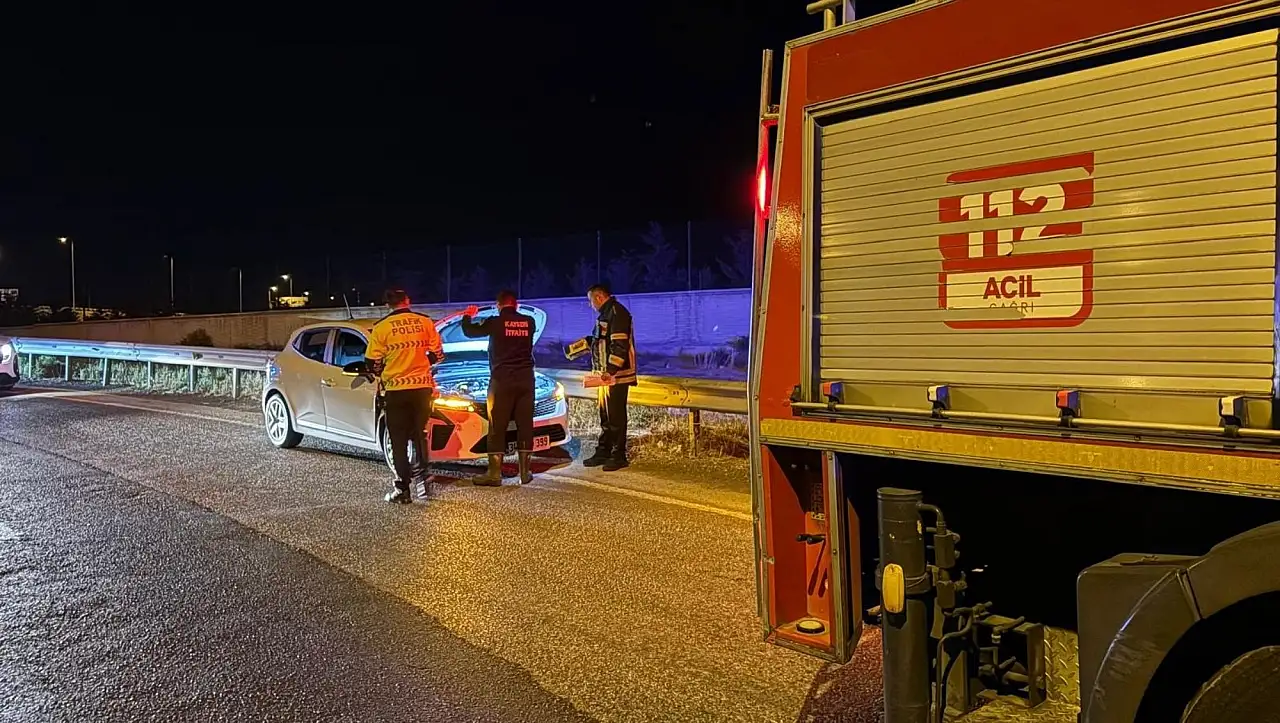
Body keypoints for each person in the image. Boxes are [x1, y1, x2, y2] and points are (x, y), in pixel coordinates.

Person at [364, 289, 444, 504]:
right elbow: (438, 355)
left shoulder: (381, 328)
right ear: (407, 301)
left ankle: (403, 489)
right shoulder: (425, 322)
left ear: (387, 304)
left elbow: (372, 363)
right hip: (422, 390)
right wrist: (420, 363)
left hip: (396, 391)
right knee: (419, 435)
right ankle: (424, 482)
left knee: (398, 441)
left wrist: (388, 369)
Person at [460, 291, 538, 485]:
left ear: (498, 305)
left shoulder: (494, 322)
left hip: (502, 381)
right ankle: (525, 473)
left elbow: (470, 332)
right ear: (516, 305)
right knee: (525, 424)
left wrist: (468, 315)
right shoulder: (529, 322)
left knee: (497, 426)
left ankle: (494, 474)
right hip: (526, 380)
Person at [578, 283, 636, 471]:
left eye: (590, 301)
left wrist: (610, 370)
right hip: (605, 376)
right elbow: (602, 341)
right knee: (606, 416)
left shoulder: (617, 313)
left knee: (616, 416)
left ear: (599, 297)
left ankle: (619, 455)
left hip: (617, 376)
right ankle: (604, 451)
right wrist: (585, 345)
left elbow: (619, 345)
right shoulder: (607, 313)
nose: (590, 305)